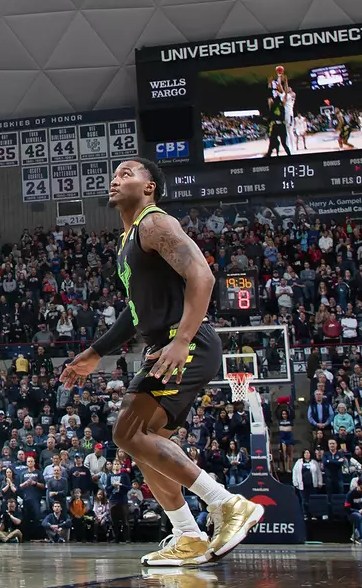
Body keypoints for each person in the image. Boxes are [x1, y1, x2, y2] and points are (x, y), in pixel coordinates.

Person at [59, 158, 262, 567]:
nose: (115, 179)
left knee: (127, 431)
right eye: (114, 174)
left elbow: (203, 276)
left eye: (127, 174)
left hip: (185, 342)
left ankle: (228, 504)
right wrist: (96, 352)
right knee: (146, 444)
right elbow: (134, 312)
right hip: (166, 344)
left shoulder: (154, 223)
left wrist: (181, 340)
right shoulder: (128, 239)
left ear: (150, 187)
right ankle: (188, 535)